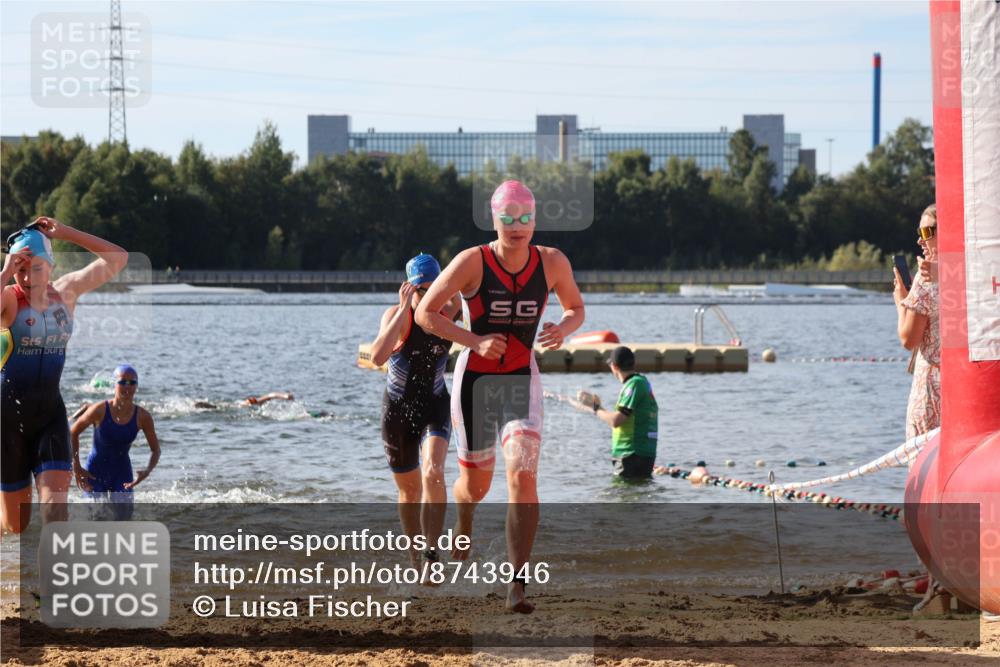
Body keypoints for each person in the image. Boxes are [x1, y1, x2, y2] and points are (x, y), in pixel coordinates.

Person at [415, 179, 585, 613]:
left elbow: (575, 308)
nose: (517, 226)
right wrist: (472, 341)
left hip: (520, 380)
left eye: (525, 218)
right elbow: (425, 313)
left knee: (522, 475)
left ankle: (517, 585)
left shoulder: (552, 263)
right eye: (507, 218)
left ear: (536, 220)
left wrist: (562, 331)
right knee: (476, 485)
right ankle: (465, 515)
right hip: (476, 383)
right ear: (494, 219)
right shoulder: (472, 262)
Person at [1, 217, 128, 533]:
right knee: (15, 526)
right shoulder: (8, 298)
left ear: (52, 267)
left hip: (50, 417)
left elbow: (118, 259)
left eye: (37, 268)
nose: (28, 277)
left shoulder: (67, 292)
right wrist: (4, 273)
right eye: (21, 269)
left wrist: (68, 233)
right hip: (6, 420)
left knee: (56, 513)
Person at [370, 254, 461, 572]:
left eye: (433, 288)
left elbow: (467, 293)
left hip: (435, 404)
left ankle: (431, 554)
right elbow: (378, 356)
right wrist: (403, 308)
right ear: (409, 288)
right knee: (409, 491)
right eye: (421, 290)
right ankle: (414, 558)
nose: (428, 296)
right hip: (397, 412)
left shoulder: (450, 309)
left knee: (434, 471)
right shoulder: (396, 315)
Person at [893, 203, 945, 614]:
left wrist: (900, 299)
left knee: (924, 489)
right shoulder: (971, 279)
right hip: (963, 390)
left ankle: (938, 587)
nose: (922, 242)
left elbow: (909, 339)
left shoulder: (926, 281)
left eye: (929, 232)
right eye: (921, 233)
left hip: (931, 389)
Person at [70, 365, 161, 520]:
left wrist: (147, 471)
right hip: (95, 471)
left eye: (132, 383)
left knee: (124, 518)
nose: (127, 386)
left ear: (136, 386)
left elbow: (155, 450)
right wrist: (76, 466)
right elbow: (73, 432)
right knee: (95, 518)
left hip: (122, 472)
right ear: (114, 384)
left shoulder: (142, 417)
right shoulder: (99, 410)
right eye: (122, 382)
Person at [570, 346, 659, 479]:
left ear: (614, 366)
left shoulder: (634, 385)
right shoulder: (640, 382)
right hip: (639, 454)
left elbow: (616, 421)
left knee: (621, 496)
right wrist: (595, 407)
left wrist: (595, 407)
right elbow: (621, 418)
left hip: (631, 454)